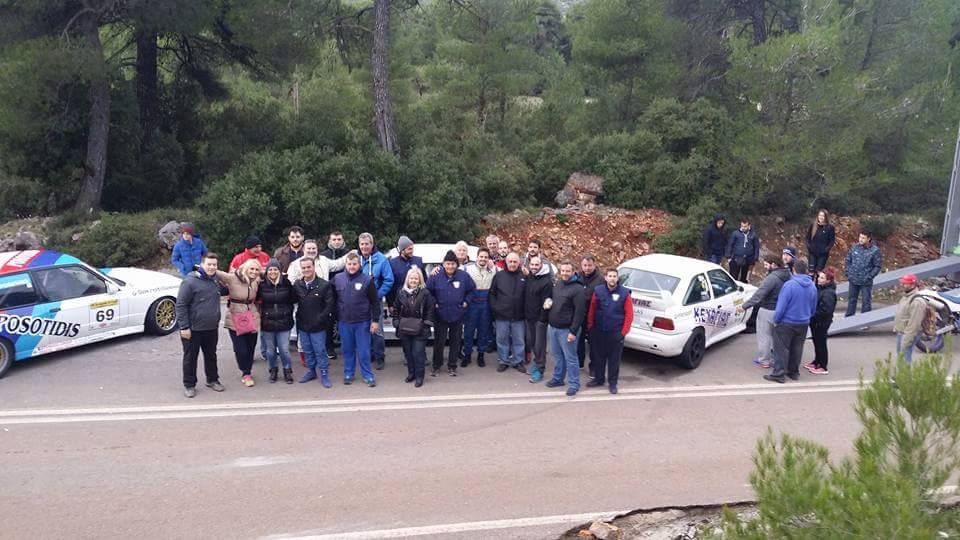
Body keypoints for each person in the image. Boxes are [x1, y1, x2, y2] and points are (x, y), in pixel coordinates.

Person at [175, 252, 225, 398]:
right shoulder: (189, 282)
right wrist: (184, 327)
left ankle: (212, 380)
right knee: (190, 358)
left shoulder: (215, 280)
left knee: (211, 355)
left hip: (211, 327)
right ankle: (189, 385)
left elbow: (226, 289)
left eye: (214, 265)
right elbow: (181, 305)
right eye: (209, 264)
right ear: (202, 264)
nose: (212, 267)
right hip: (193, 329)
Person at [764, 259, 817, 384]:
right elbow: (813, 306)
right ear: (806, 271)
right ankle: (793, 372)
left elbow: (781, 306)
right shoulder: (812, 286)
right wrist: (808, 316)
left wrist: (776, 319)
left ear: (794, 270)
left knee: (781, 348)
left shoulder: (789, 285)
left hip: (787, 322)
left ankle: (779, 374)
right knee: (797, 347)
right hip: (803, 322)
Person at [333, 252, 380, 387]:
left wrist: (375, 321)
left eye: (354, 264)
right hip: (344, 322)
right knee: (347, 350)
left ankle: (368, 375)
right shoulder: (337, 278)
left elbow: (375, 302)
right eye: (349, 264)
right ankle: (348, 373)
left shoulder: (367, 280)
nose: (352, 266)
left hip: (362, 322)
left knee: (364, 351)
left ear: (359, 264)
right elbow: (332, 298)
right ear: (345, 264)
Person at [426, 250, 476, 376]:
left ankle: (452, 366)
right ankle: (436, 366)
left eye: (453, 264)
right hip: (440, 314)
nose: (450, 266)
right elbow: (427, 292)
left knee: (455, 341)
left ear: (457, 264)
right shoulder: (435, 276)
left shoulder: (464, 276)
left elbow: (472, 290)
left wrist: (466, 302)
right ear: (443, 264)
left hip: (457, 314)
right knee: (439, 342)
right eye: (448, 264)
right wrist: (434, 303)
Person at [586, 268, 634, 394]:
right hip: (599, 331)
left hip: (616, 332)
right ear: (606, 278)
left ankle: (613, 383)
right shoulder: (598, 290)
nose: (612, 278)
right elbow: (592, 309)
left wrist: (623, 333)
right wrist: (590, 326)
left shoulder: (624, 293)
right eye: (610, 276)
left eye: (614, 276)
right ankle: (599, 379)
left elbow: (629, 314)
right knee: (598, 357)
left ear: (617, 278)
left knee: (614, 360)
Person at [737, 255, 790, 369]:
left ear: (773, 264)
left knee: (764, 336)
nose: (765, 267)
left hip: (767, 310)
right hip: (781, 311)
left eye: (766, 264)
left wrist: (745, 306)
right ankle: (776, 359)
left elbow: (759, 295)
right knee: (776, 337)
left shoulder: (772, 278)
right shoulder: (787, 275)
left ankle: (764, 360)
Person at [217, 259, 263, 387]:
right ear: (245, 268)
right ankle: (245, 371)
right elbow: (217, 272)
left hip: (252, 316)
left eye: (256, 269)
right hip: (235, 316)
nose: (254, 272)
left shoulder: (257, 280)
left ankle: (247, 372)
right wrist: (199, 267)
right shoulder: (233, 278)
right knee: (240, 349)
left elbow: (269, 273)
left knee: (250, 347)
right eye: (251, 269)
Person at [544, 262, 587, 397]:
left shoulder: (578, 289)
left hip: (567, 330)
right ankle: (558, 378)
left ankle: (574, 384)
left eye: (567, 271)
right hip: (553, 327)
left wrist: (573, 332)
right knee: (557, 355)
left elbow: (580, 313)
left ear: (573, 272)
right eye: (562, 271)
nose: (564, 273)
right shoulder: (558, 284)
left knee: (571, 358)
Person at [292, 256, 336, 386]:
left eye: (308, 267)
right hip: (303, 324)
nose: (306, 270)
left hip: (318, 326)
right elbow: (291, 299)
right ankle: (311, 371)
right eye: (303, 268)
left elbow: (329, 305)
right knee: (307, 350)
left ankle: (324, 374)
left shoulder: (324, 285)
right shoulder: (297, 284)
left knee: (320, 351)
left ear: (314, 267)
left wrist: (320, 319)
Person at [392, 267, 435, 387]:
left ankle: (419, 376)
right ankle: (411, 373)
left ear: (420, 280)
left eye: (416, 278)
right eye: (411, 278)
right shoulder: (401, 292)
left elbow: (430, 310)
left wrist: (426, 324)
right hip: (404, 328)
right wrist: (396, 321)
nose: (413, 280)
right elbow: (395, 308)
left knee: (418, 353)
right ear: (407, 279)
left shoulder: (425, 293)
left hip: (420, 329)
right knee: (408, 353)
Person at [358, 232, 394, 370]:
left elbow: (389, 280)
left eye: (367, 244)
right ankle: (369, 355)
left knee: (377, 330)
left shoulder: (382, 260)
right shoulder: (356, 258)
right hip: (359, 302)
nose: (364, 247)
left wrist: (377, 295)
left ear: (372, 244)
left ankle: (379, 357)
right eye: (362, 244)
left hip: (375, 302)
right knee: (363, 330)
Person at [258, 259, 296, 384]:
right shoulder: (262, 285)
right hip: (267, 322)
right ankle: (273, 369)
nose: (273, 272)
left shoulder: (286, 283)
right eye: (270, 270)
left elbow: (293, 298)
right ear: (267, 272)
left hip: (284, 321)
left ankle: (287, 370)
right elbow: (256, 300)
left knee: (284, 349)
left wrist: (288, 312)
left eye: (275, 269)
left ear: (279, 271)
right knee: (270, 351)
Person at [489, 252, 526, 373]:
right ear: (506, 262)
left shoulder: (524, 276)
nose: (512, 264)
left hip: (519, 316)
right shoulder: (499, 276)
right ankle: (503, 361)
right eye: (510, 261)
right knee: (502, 340)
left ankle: (518, 361)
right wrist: (495, 308)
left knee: (519, 341)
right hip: (502, 316)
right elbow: (492, 294)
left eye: (515, 262)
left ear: (519, 263)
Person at [463, 247, 496, 367]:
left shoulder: (494, 270)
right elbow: (451, 268)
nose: (483, 259)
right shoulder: (467, 269)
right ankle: (467, 354)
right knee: (469, 331)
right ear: (477, 257)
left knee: (483, 331)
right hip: (472, 303)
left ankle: (481, 355)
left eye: (486, 257)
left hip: (486, 304)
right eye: (481, 256)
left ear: (488, 258)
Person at [524, 255, 552, 381]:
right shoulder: (530, 277)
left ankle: (540, 370)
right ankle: (536, 363)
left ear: (541, 265)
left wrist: (542, 319)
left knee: (539, 345)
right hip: (529, 317)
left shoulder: (547, 281)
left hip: (540, 319)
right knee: (532, 343)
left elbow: (547, 302)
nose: (534, 267)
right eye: (532, 264)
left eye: (537, 264)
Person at [805, 267, 837, 375]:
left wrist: (813, 317)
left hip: (821, 322)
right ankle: (816, 361)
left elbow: (826, 310)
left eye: (822, 278)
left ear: (828, 280)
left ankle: (823, 366)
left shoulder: (829, 293)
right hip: (816, 321)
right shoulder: (820, 288)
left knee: (821, 343)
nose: (819, 279)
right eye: (819, 277)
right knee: (816, 342)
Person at [576, 255, 604, 373]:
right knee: (579, 340)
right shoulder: (577, 276)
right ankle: (579, 362)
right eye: (585, 265)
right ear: (581, 265)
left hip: (594, 316)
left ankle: (593, 367)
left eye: (589, 265)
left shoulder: (601, 280)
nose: (587, 268)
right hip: (579, 315)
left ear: (594, 265)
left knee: (594, 343)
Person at [844, 231, 883, 317]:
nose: (860, 240)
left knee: (866, 301)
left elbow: (877, 266)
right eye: (860, 237)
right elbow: (848, 260)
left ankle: (865, 319)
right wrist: (848, 272)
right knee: (851, 300)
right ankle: (849, 318)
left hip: (865, 281)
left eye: (863, 238)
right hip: (853, 279)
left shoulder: (874, 250)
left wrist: (870, 276)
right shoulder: (855, 247)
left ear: (868, 239)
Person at [893, 273, 927, 364]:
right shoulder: (906, 296)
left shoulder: (917, 302)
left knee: (905, 357)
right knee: (901, 357)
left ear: (912, 285)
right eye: (902, 282)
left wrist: (906, 340)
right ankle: (901, 372)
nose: (902, 285)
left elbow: (914, 325)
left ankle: (905, 373)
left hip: (907, 334)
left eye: (905, 283)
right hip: (902, 332)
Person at [388, 235, 424, 305]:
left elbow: (424, 281)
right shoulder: (392, 263)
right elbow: (390, 285)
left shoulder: (418, 261)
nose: (412, 251)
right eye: (409, 249)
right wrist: (390, 304)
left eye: (412, 249)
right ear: (402, 250)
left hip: (417, 303)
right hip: (399, 302)